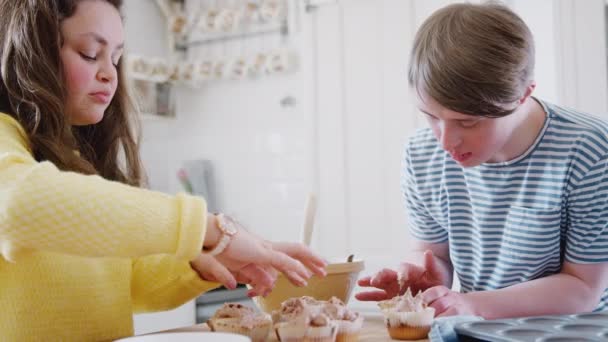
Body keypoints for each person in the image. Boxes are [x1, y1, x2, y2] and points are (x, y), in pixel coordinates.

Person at [0, 0, 326, 340]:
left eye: (115, 57)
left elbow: (131, 282)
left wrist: (200, 261)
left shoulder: (75, 158)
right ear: (32, 52)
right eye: (88, 53)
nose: (109, 73)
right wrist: (208, 228)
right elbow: (18, 205)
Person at [356, 2, 608, 319]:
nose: (445, 141)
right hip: (479, 327)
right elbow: (432, 254)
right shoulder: (421, 154)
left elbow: (582, 289)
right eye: (431, 116)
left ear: (523, 95)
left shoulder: (591, 150)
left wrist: (472, 304)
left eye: (468, 122)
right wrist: (425, 278)